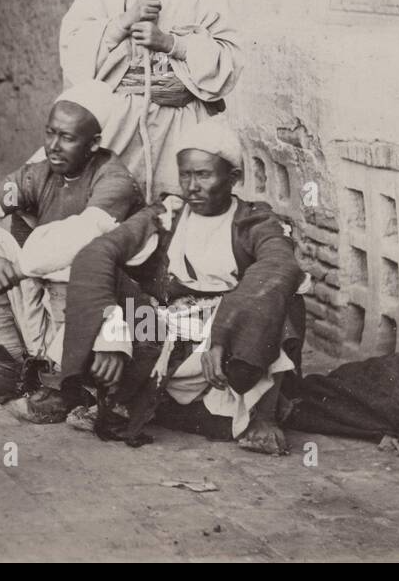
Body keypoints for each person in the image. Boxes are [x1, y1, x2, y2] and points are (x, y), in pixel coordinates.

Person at [57, 118, 306, 455]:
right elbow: (99, 252)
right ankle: (127, 394)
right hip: (165, 329)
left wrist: (222, 333)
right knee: (103, 274)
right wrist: (111, 334)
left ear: (233, 178)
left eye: (204, 175)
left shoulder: (255, 222)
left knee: (283, 296)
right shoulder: (166, 215)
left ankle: (263, 415)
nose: (192, 187)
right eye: (185, 175)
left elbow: (279, 264)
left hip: (226, 339)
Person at [0, 81, 142, 412]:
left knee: (79, 260)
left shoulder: (114, 180)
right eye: (50, 133)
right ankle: (11, 364)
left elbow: (82, 236)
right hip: (45, 299)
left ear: (94, 144)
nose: (53, 146)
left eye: (68, 138)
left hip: (102, 312)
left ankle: (65, 383)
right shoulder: (38, 174)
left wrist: (14, 270)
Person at [58, 0, 240, 199]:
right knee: (108, 201)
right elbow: (73, 48)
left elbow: (229, 58)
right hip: (119, 122)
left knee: (177, 208)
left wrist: (171, 43)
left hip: (181, 121)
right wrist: (123, 21)